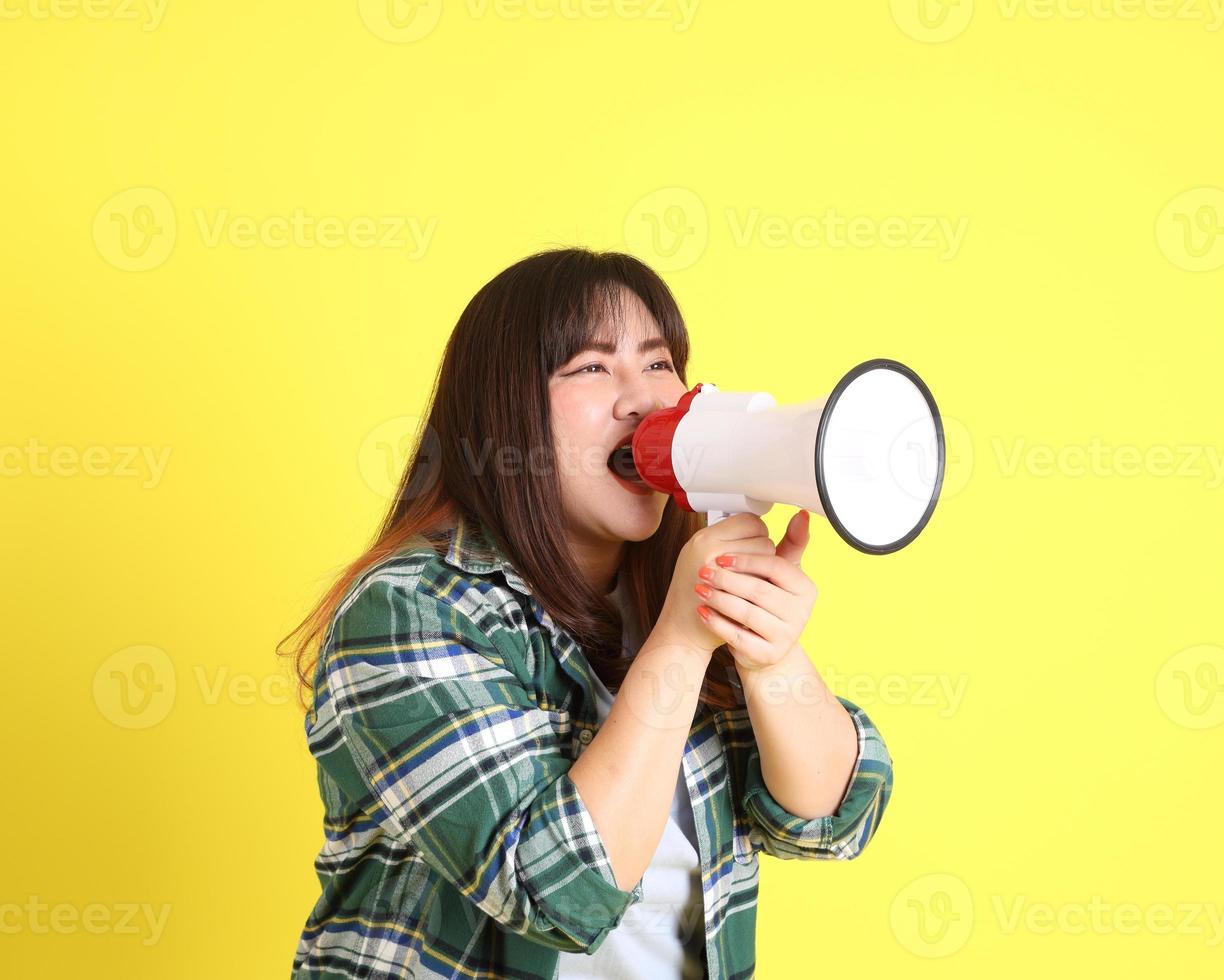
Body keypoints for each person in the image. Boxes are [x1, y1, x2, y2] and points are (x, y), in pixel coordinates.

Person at [279, 247, 895, 979]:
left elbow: (829, 821)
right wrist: (679, 641)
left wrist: (770, 654)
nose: (641, 399)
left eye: (659, 363)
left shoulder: (668, 593)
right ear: (504, 411)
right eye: (592, 367)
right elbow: (554, 896)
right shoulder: (408, 609)